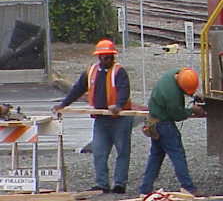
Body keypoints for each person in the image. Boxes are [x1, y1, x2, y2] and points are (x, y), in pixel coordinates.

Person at [52, 39, 133, 194]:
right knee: (99, 152)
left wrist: (118, 105)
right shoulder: (91, 71)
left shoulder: (119, 71)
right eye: (104, 56)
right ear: (99, 57)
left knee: (123, 151)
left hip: (121, 118)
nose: (106, 59)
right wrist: (64, 104)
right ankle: (102, 184)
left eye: (109, 56)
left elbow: (124, 90)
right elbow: (77, 89)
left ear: (113, 56)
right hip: (101, 118)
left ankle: (120, 184)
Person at [139, 67, 205, 197]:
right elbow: (177, 115)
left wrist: (193, 95)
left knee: (156, 156)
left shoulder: (175, 75)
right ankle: (187, 187)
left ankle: (145, 189)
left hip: (153, 121)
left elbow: (183, 87)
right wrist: (192, 110)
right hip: (163, 124)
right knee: (177, 154)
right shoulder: (172, 94)